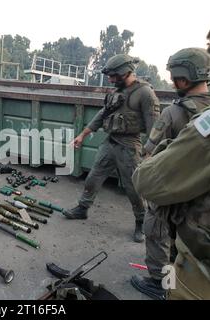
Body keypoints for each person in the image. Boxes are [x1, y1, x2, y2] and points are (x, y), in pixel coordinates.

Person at [130, 48, 210, 300]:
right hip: (201, 204)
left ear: (183, 78)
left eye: (174, 76)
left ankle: (159, 282)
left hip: (168, 188)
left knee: (156, 233)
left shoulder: (174, 112)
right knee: (181, 241)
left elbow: (149, 154)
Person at [63, 54, 160, 243]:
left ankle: (140, 222)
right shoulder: (117, 91)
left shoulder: (145, 94)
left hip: (130, 146)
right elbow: (102, 114)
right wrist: (83, 135)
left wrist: (149, 154)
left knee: (134, 189)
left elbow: (154, 129)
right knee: (93, 177)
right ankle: (82, 209)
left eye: (114, 75)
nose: (111, 79)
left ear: (125, 73)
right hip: (110, 142)